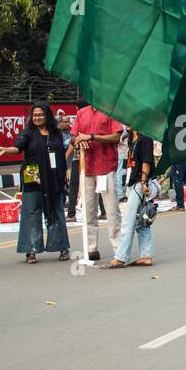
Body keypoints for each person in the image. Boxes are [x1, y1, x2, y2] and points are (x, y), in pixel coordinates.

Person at [0, 103, 69, 263]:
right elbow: (17, 147)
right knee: (31, 212)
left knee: (57, 211)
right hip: (33, 177)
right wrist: (6, 150)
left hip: (54, 178)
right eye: (35, 115)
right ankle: (31, 250)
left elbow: (61, 153)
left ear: (47, 115)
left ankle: (61, 247)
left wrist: (63, 174)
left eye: (41, 114)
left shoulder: (56, 133)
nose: (37, 118)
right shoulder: (28, 133)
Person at [71, 102, 123, 259]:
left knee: (112, 210)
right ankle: (91, 248)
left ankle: (119, 248)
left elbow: (116, 136)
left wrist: (92, 137)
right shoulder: (82, 113)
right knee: (88, 210)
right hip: (86, 167)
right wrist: (79, 140)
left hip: (105, 166)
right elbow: (73, 138)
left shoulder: (111, 110)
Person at [106, 127, 156, 268]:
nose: (126, 123)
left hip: (139, 183)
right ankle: (146, 255)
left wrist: (144, 182)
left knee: (128, 221)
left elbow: (147, 161)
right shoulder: (131, 139)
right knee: (142, 221)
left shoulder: (145, 138)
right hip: (133, 182)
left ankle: (120, 257)